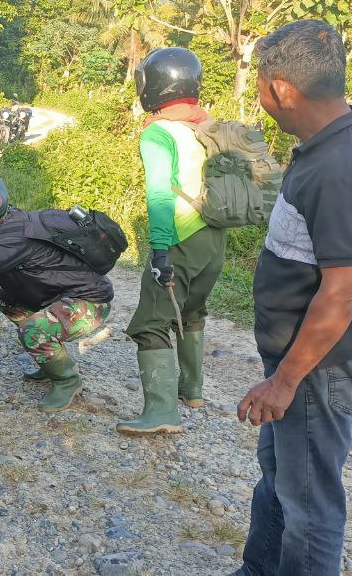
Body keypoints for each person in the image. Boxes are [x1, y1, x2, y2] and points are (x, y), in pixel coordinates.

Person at [233, 20, 352, 575]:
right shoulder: (328, 145)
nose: (260, 98)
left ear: (281, 88)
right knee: (280, 480)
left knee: (309, 505)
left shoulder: (339, 166)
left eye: (259, 86)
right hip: (300, 362)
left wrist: (285, 379)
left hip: (317, 368)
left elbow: (343, 291)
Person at [0, 170, 113, 412]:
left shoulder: (15, 234)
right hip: (61, 296)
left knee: (33, 330)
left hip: (90, 302)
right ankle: (52, 360)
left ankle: (67, 380)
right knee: (8, 299)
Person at [116, 47, 224, 436]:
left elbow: (159, 194)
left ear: (155, 87)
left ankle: (160, 413)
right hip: (215, 236)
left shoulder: (160, 132)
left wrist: (159, 250)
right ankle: (191, 390)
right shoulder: (206, 124)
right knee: (192, 309)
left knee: (152, 321)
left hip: (180, 236)